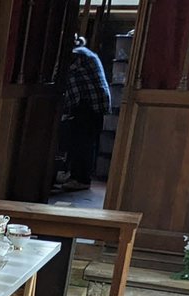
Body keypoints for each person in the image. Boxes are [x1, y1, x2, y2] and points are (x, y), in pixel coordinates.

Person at [61, 35, 110, 192]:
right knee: (83, 141)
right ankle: (77, 176)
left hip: (89, 104)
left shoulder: (78, 55)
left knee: (82, 142)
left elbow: (63, 74)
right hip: (93, 103)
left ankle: (80, 179)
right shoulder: (84, 53)